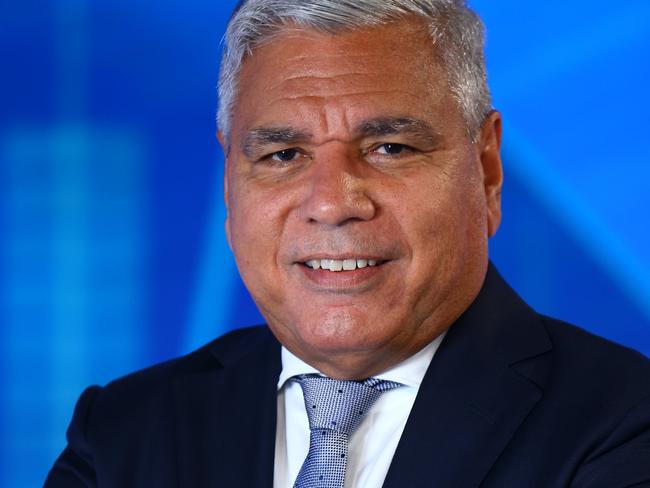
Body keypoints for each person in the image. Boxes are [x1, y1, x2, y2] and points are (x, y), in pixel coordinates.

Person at [45, 0, 650, 486]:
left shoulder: (625, 423)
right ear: (231, 186)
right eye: (283, 154)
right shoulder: (121, 434)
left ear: (487, 172)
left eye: (391, 148)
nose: (333, 203)